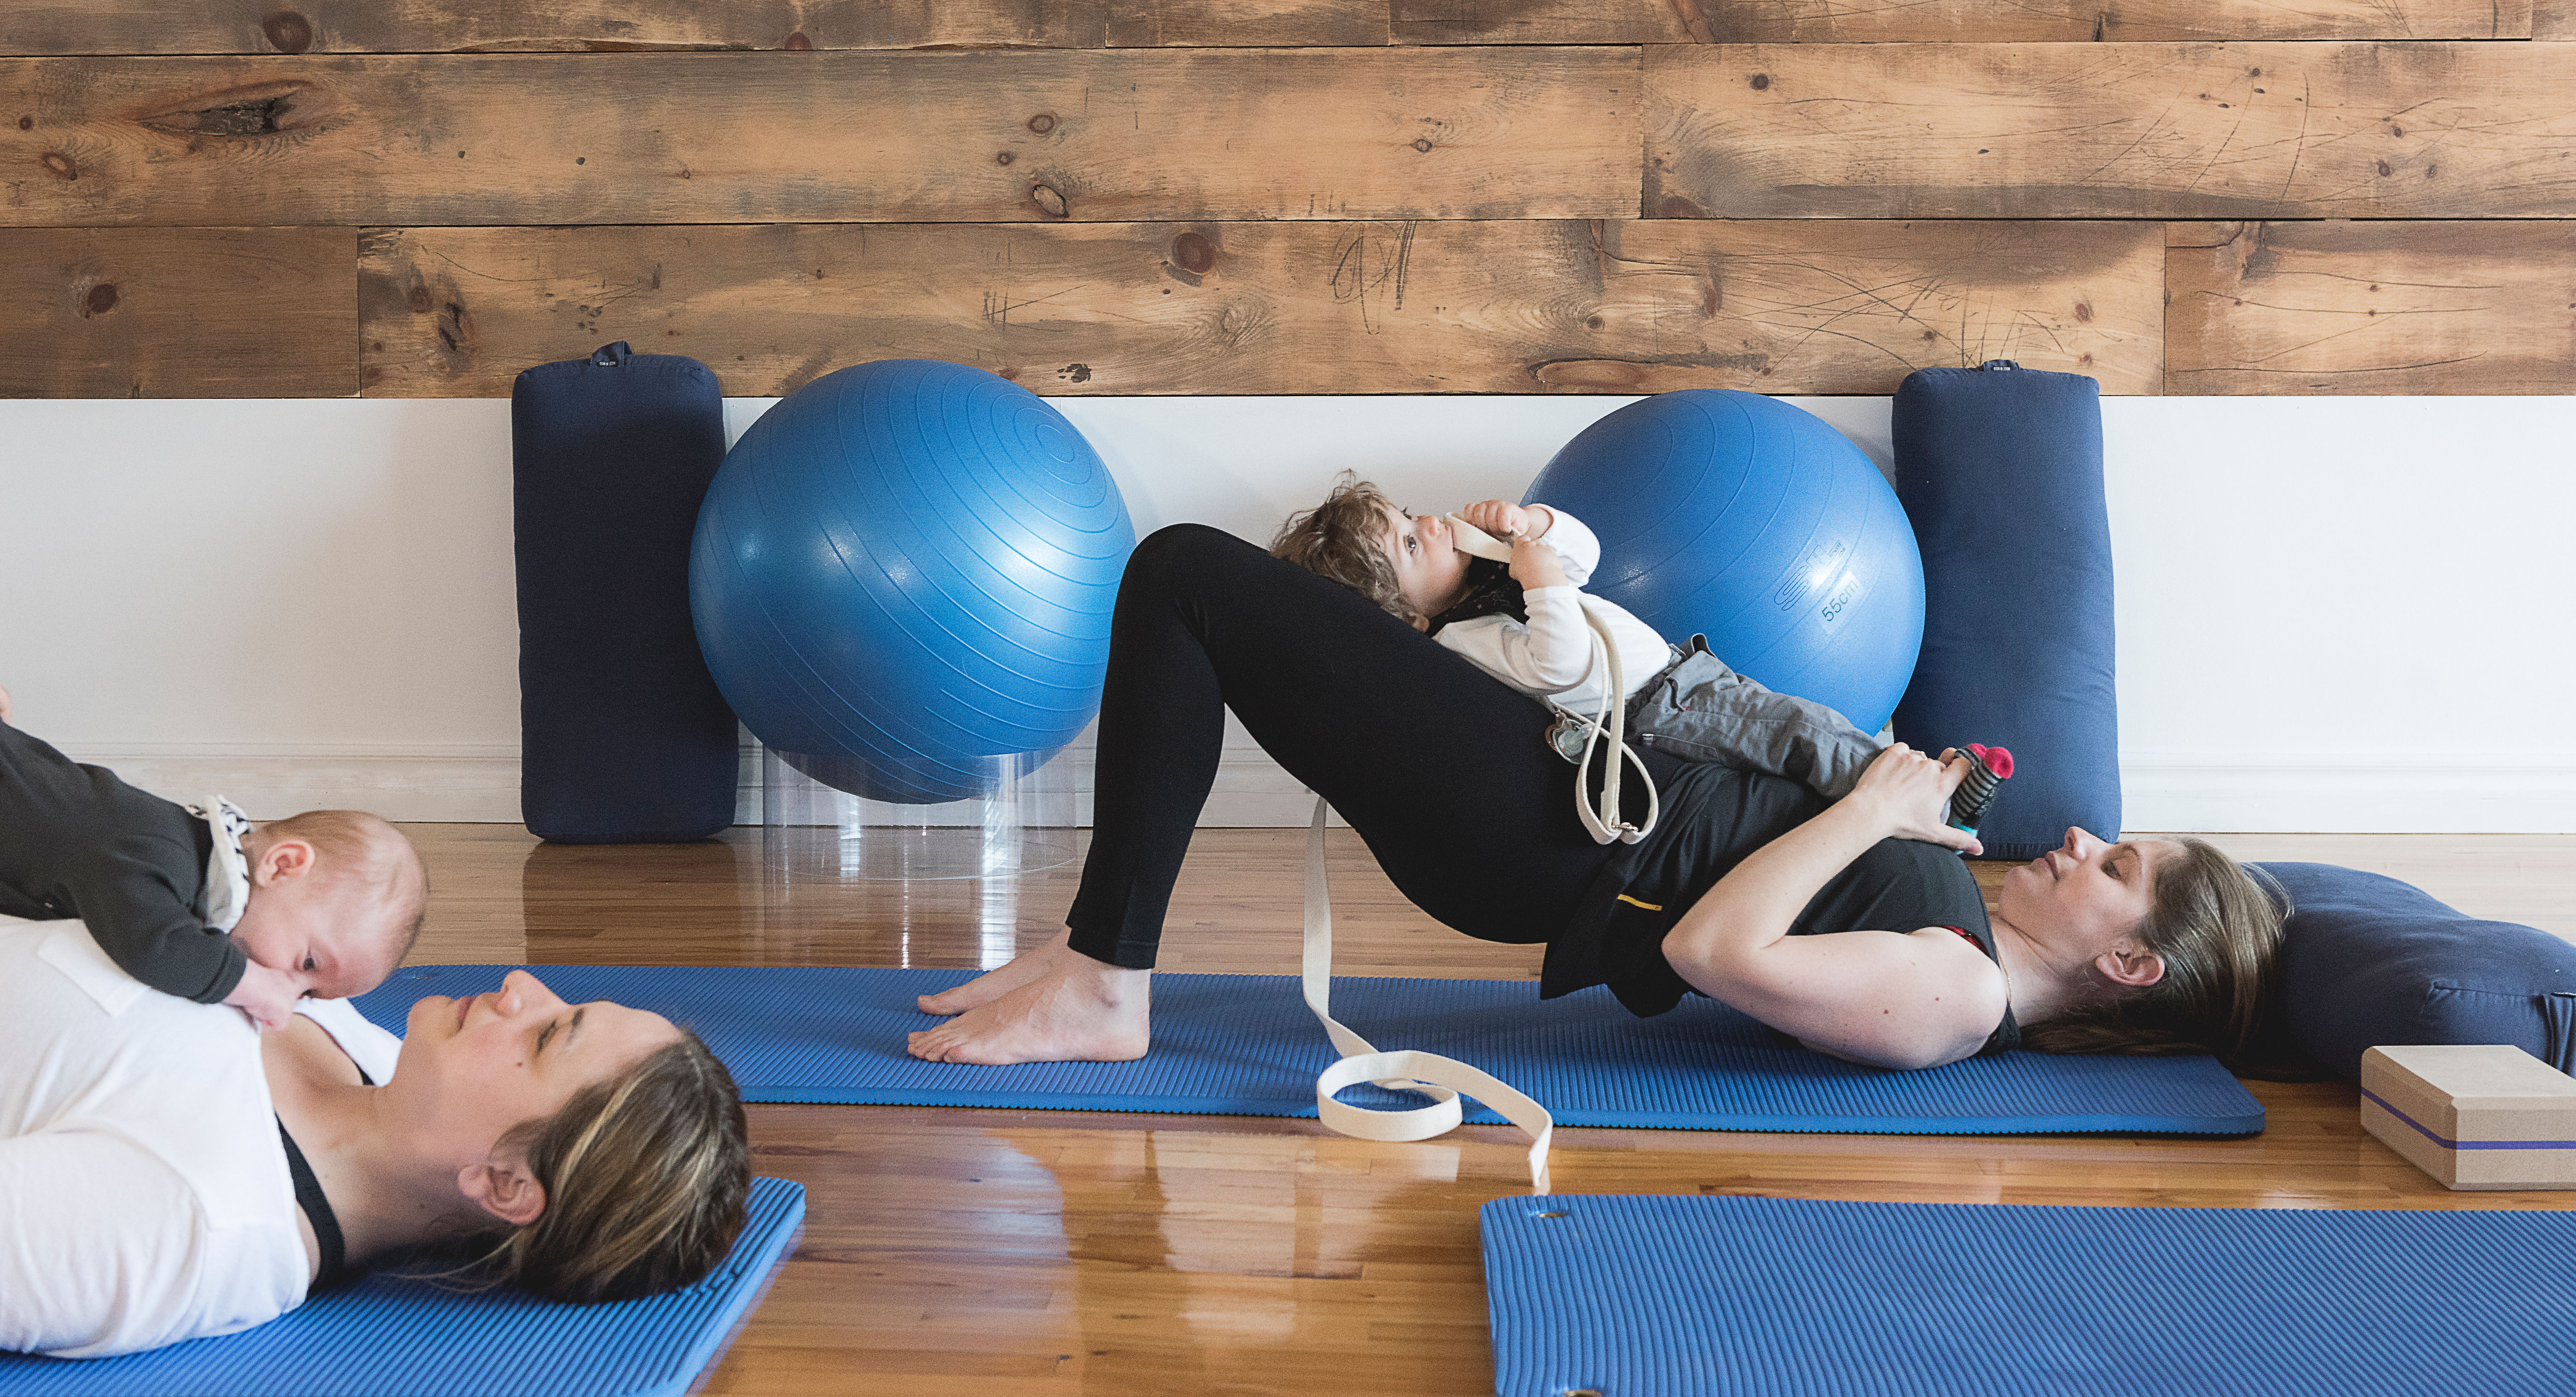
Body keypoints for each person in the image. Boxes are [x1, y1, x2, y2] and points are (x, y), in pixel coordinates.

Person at [906, 524, 2282, 1073]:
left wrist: (1871, 812)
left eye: (2121, 863)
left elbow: (1711, 953)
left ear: (2127, 957)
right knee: (1199, 596)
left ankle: (1105, 980)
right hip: (1560, 794)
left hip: (1546, 844)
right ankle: (1092, 957)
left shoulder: (1964, 1001)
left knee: (1188, 576)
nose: (2090, 839)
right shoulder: (1960, 937)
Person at [0, 912, 750, 1360]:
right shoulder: (374, 1057)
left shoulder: (203, 1220)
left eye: (549, 1034)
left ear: (505, 1182)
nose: (521, 985)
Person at [1269, 474, 1901, 807]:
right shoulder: (1464, 638)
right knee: (1793, 730)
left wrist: (1532, 527)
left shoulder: (1491, 571)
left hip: (1685, 674)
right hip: (1657, 706)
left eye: (1410, 516)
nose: (1432, 525)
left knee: (1789, 731)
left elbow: (1585, 556)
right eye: (1411, 544)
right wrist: (1540, 582)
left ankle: (1884, 782)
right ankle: (1913, 789)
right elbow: (1560, 665)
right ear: (1406, 619)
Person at [0, 686, 428, 1030]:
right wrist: (249, 984)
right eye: (308, 964)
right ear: (282, 865)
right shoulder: (166, 856)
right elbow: (155, 943)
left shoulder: (192, 868)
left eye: (308, 993)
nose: (289, 989)